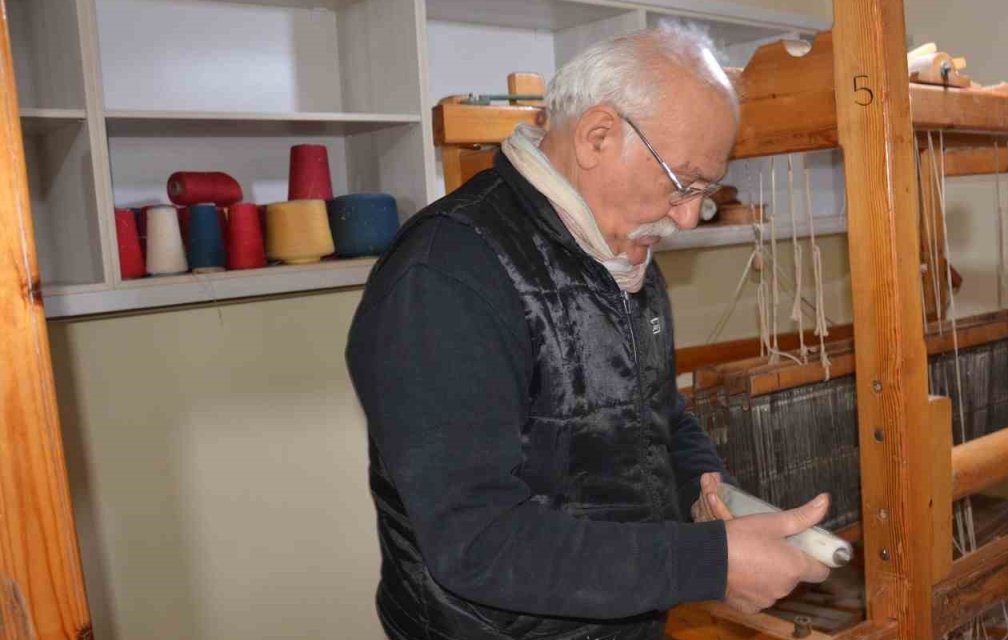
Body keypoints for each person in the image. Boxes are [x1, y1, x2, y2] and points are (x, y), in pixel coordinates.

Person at [345, 23, 831, 640]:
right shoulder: (446, 274)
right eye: (684, 182)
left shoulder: (621, 251)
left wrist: (703, 487)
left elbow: (657, 414)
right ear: (598, 136)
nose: (686, 216)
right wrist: (708, 562)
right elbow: (478, 542)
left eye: (704, 192)